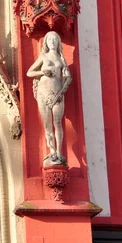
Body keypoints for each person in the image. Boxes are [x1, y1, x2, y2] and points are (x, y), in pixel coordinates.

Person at [26, 31, 72, 165]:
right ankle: (51, 150)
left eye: (54, 39)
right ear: (45, 42)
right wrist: (42, 72)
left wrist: (62, 92)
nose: (52, 42)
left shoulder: (61, 58)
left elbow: (68, 77)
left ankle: (59, 152)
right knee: (47, 125)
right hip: (43, 92)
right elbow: (29, 72)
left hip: (57, 93)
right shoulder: (43, 56)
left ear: (58, 42)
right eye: (49, 39)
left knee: (57, 123)